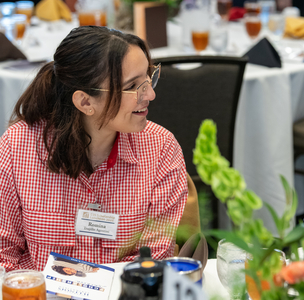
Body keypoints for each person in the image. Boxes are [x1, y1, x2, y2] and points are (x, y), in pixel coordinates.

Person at [0, 26, 188, 271]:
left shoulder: (160, 148)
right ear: (85, 101)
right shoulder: (18, 147)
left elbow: (153, 257)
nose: (150, 94)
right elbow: (4, 254)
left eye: (149, 77)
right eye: (132, 86)